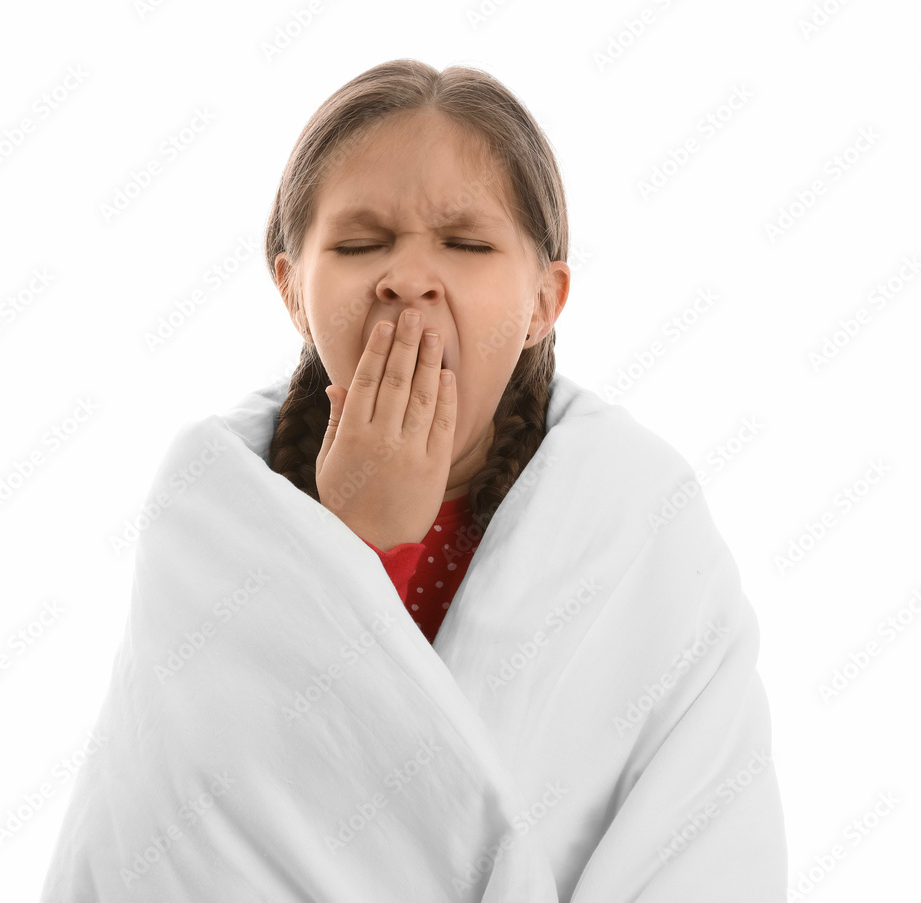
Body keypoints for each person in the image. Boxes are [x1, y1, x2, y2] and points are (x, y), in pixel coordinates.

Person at [39, 59, 787, 902]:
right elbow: (169, 834)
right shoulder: (208, 507)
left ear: (545, 300)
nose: (408, 278)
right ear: (291, 287)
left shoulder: (645, 521)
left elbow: (714, 838)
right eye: (361, 245)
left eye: (466, 245)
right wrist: (354, 542)